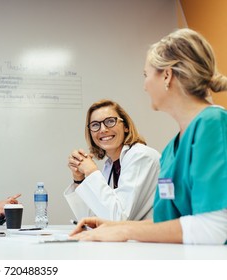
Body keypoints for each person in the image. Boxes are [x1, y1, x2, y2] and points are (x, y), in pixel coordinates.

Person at [70, 28, 227, 244]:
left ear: (167, 75)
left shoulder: (213, 124)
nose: (144, 86)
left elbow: (215, 229)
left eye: (146, 75)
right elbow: (167, 222)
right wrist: (115, 226)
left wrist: (126, 231)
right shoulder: (173, 148)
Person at [64, 100, 161, 221]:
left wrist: (92, 172)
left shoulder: (141, 156)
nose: (103, 129)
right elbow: (91, 218)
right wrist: (79, 179)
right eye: (95, 125)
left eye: (110, 121)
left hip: (150, 238)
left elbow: (119, 218)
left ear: (125, 126)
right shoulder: (110, 166)